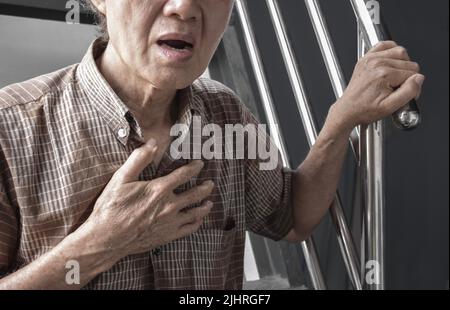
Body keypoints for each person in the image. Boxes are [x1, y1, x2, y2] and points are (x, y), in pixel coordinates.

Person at [0, 0, 424, 289]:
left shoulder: (226, 114)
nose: (185, 6)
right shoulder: (10, 128)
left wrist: (341, 119)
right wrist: (102, 244)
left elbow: (292, 218)